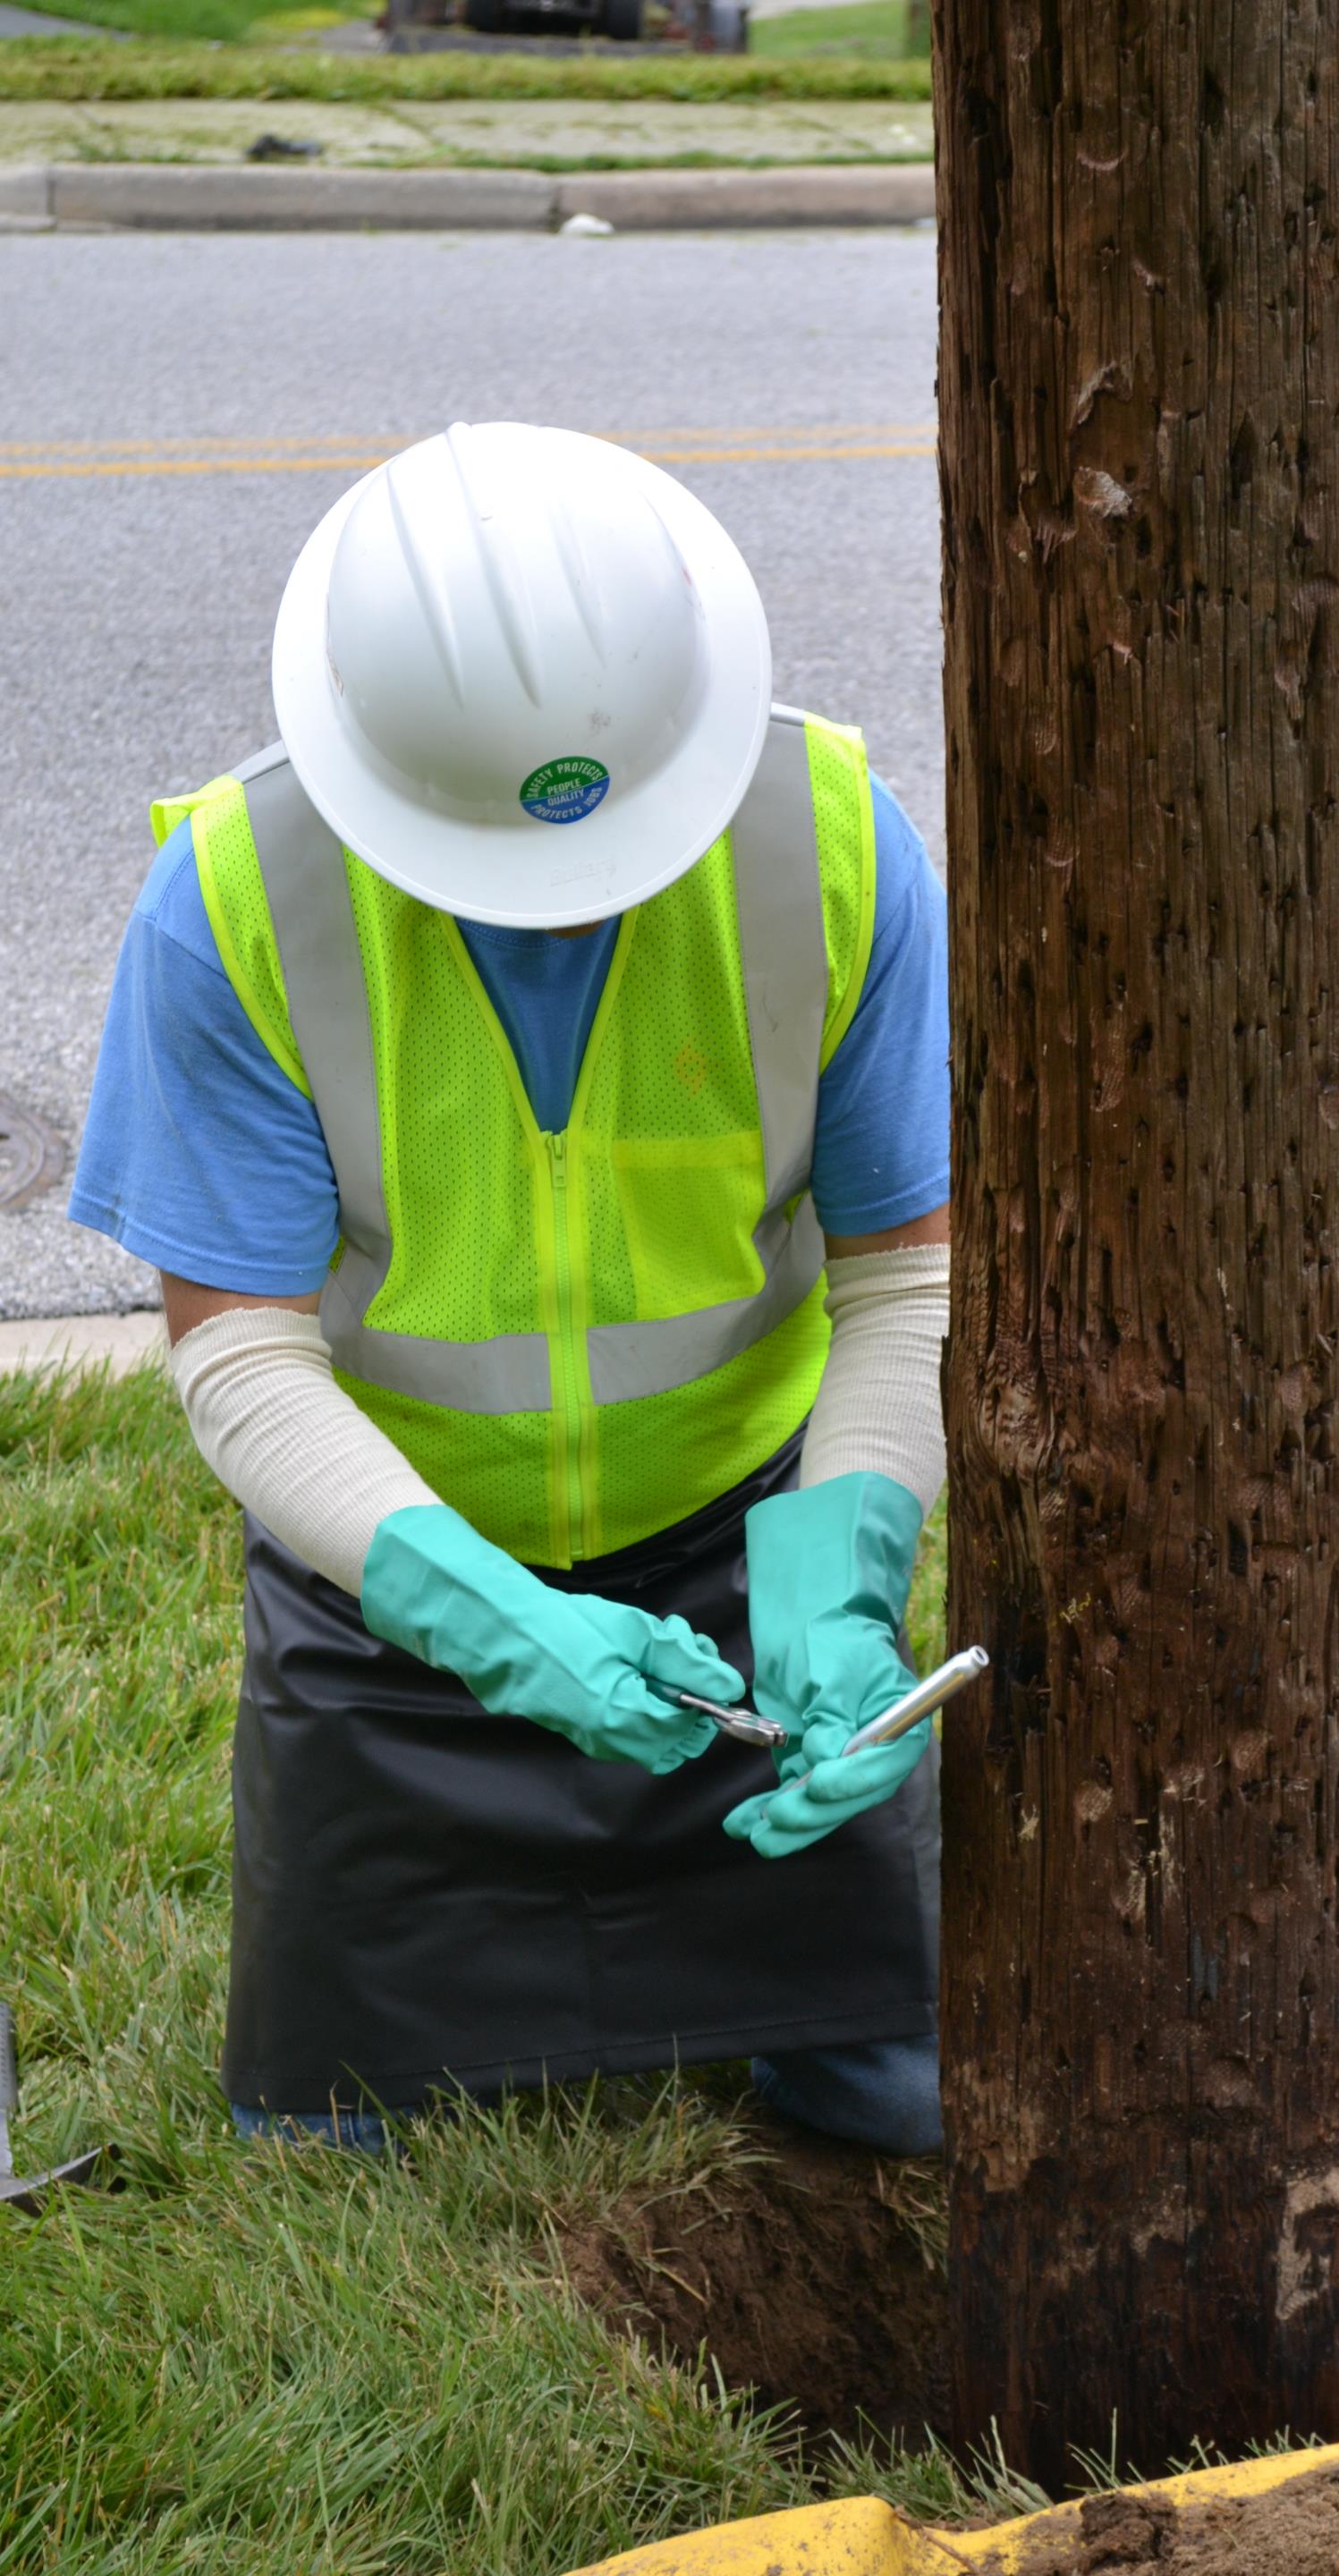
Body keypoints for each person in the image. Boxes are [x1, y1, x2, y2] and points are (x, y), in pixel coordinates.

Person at [70, 420, 949, 2157]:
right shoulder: (233, 902)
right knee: (321, 2148)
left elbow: (901, 1290)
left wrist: (839, 1584)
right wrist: (470, 1607)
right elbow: (240, 1359)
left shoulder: (833, 845)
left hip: (745, 1567)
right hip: (399, 1591)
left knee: (904, 2098)